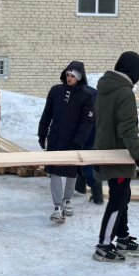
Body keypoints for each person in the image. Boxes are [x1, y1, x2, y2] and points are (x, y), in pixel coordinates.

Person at [92, 51, 139, 262]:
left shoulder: (105, 90)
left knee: (122, 196)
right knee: (117, 200)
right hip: (119, 155)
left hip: (105, 152)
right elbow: (127, 129)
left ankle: (123, 238)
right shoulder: (124, 93)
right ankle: (104, 245)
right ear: (134, 71)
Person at [38, 61, 95, 223]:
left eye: (73, 76)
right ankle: (57, 207)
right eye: (68, 75)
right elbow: (47, 113)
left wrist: (79, 141)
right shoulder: (56, 91)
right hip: (55, 138)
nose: (69, 78)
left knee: (71, 173)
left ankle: (67, 200)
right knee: (54, 172)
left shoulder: (86, 96)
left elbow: (87, 121)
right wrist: (42, 134)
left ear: (80, 77)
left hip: (73, 140)